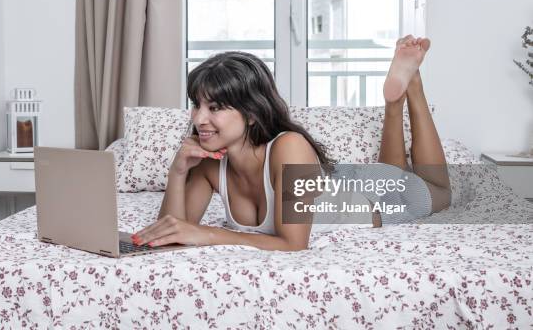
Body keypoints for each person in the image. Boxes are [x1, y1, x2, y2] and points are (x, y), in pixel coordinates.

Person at [132, 36, 451, 251]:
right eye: (196, 104)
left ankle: (414, 88)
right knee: (391, 170)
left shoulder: (289, 146)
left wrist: (208, 234)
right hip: (334, 182)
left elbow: (293, 244)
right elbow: (172, 232)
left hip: (374, 199)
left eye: (214, 108)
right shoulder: (209, 163)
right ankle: (394, 102)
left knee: (438, 189)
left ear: (252, 113)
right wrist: (177, 173)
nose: (199, 118)